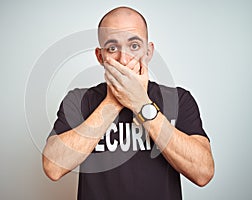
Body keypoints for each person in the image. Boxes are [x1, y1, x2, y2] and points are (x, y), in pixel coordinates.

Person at [42, 6, 214, 200]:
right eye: (112, 48)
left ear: (148, 52)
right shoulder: (79, 101)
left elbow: (203, 173)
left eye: (134, 46)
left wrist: (141, 103)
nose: (123, 60)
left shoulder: (179, 100)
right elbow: (53, 167)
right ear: (100, 57)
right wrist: (114, 101)